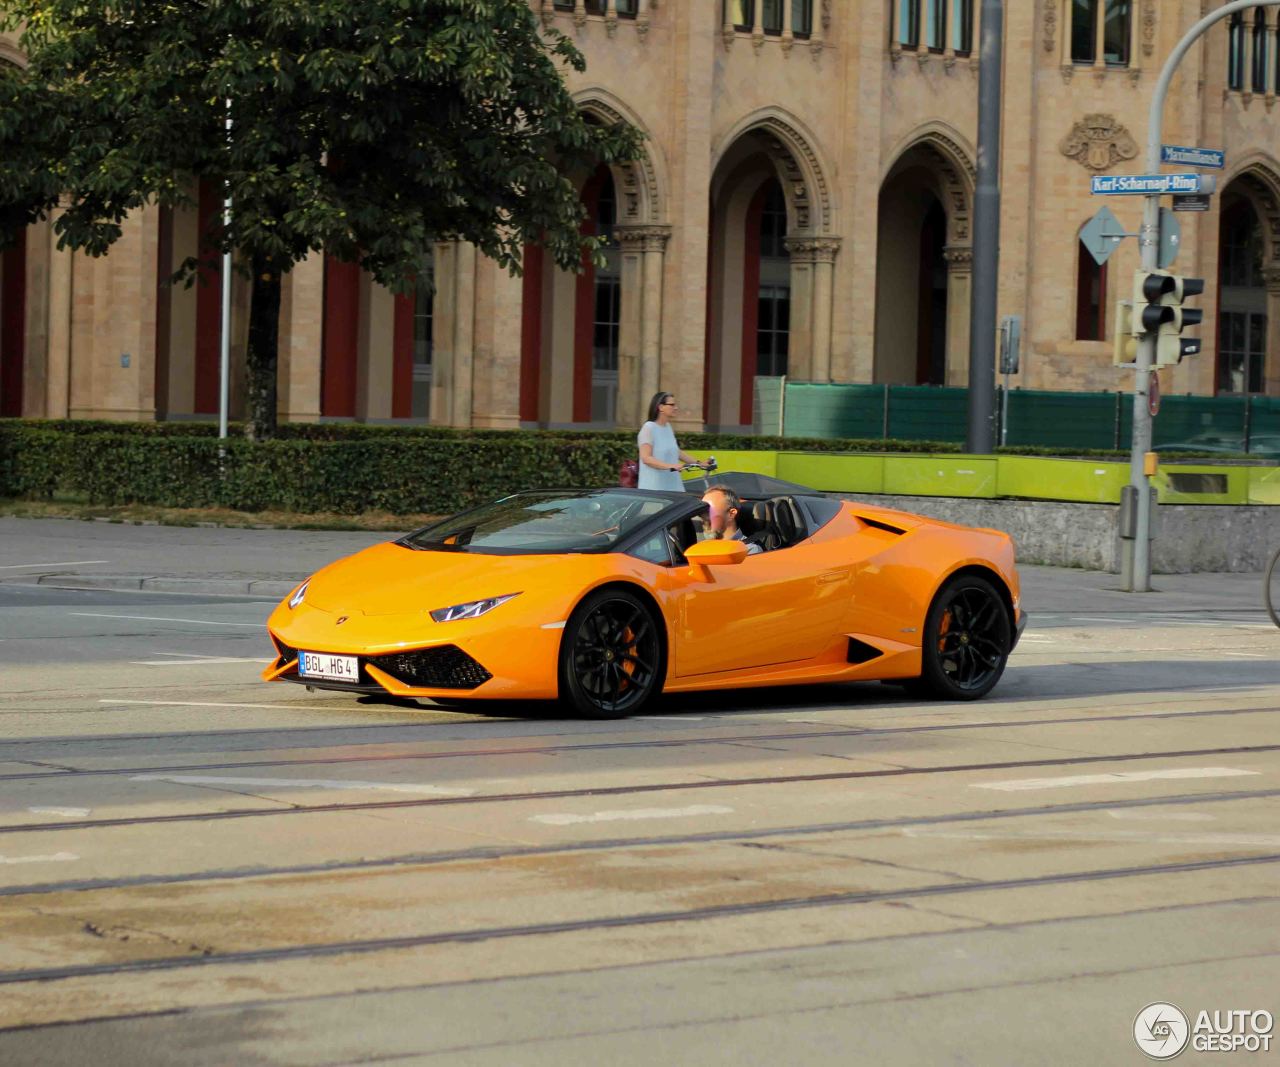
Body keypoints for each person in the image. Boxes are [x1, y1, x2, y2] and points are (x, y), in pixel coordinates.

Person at [637, 391, 708, 491]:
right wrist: (671, 466)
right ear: (660, 407)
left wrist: (699, 463)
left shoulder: (668, 427)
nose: (676, 408)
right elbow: (646, 458)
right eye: (672, 405)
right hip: (654, 488)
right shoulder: (648, 428)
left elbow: (677, 452)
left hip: (673, 485)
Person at [701, 486, 762, 554]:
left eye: (709, 510)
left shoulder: (749, 551)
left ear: (731, 514)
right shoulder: (703, 547)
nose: (702, 516)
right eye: (701, 511)